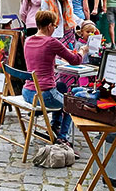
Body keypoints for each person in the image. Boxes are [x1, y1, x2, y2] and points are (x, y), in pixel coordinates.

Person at [23, 10, 88, 147]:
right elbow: (75, 60)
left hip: (27, 92)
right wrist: (83, 50)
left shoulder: (28, 40)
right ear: (49, 26)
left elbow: (39, 60)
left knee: (62, 86)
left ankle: (55, 124)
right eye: (55, 26)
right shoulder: (51, 42)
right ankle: (63, 137)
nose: (55, 29)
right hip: (44, 95)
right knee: (72, 103)